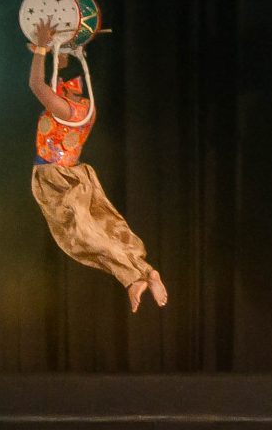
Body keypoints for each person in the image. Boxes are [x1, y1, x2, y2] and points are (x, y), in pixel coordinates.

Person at [25, 22, 166, 311]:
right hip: (77, 175)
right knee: (109, 228)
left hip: (55, 178)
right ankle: (144, 271)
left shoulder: (64, 109)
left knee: (82, 238)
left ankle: (131, 278)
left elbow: (37, 84)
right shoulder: (84, 108)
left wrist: (41, 48)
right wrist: (56, 48)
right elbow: (57, 71)